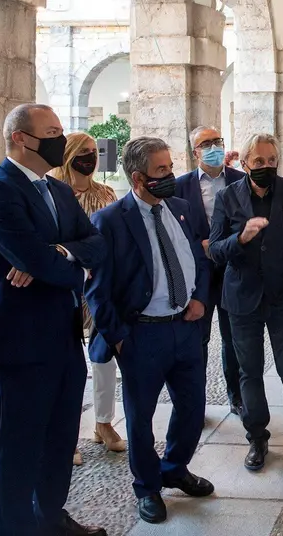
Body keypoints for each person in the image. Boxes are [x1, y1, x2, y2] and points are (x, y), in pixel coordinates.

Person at [0, 103, 108, 536]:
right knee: (20, 450)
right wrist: (65, 264)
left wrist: (61, 252)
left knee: (60, 441)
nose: (60, 140)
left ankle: (50, 519)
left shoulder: (59, 191)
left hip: (63, 338)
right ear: (20, 138)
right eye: (51, 133)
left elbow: (97, 244)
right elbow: (39, 262)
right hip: (18, 344)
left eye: (61, 131)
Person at [86, 137, 215, 525]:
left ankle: (174, 468)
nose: (171, 175)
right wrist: (118, 336)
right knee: (140, 417)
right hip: (142, 335)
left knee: (192, 407)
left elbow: (200, 259)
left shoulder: (180, 208)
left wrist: (199, 299)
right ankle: (147, 487)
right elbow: (97, 290)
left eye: (170, 167)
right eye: (162, 170)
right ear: (138, 178)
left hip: (185, 328)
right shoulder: (110, 221)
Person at [209, 134, 283, 475]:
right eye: (259, 161)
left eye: (272, 161)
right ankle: (257, 437)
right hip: (242, 299)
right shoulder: (227, 196)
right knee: (249, 372)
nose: (266, 166)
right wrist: (241, 238)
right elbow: (215, 249)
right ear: (245, 164)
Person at [48, 132, 126, 466]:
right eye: (83, 152)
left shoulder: (105, 193)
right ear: (68, 155)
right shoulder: (53, 194)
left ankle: (103, 422)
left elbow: (111, 240)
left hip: (101, 285)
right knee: (63, 363)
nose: (91, 158)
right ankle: (64, 434)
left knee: (103, 355)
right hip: (65, 285)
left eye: (94, 151)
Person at [174, 126, 245, 417]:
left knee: (233, 339)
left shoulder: (240, 180)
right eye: (206, 143)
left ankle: (237, 397)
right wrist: (199, 246)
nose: (214, 147)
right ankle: (195, 402)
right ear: (195, 152)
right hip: (197, 274)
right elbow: (174, 230)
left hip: (232, 270)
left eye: (217, 141)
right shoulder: (180, 186)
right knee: (197, 340)